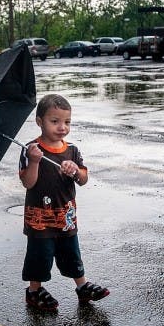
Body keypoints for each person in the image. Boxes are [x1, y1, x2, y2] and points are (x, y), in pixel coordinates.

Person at [19, 94, 109, 311]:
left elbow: (84, 180)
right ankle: (34, 291)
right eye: (55, 121)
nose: (62, 127)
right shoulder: (31, 149)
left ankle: (82, 286)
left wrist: (75, 170)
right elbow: (28, 183)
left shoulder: (72, 151)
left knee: (71, 252)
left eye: (67, 122)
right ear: (40, 122)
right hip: (39, 219)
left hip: (66, 217)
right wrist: (34, 161)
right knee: (40, 255)